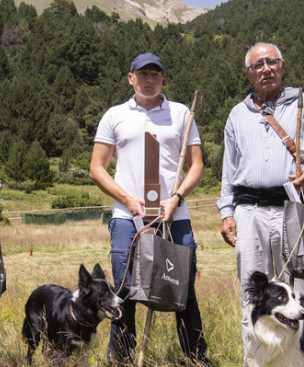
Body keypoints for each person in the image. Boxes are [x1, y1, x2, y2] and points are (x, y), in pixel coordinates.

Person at [216, 42, 304, 366]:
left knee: (299, 295)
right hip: (249, 214)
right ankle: (256, 361)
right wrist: (227, 212)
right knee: (253, 296)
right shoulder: (237, 114)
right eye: (258, 65)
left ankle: (300, 360)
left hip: (294, 209)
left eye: (271, 62)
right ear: (248, 74)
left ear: (282, 66)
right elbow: (229, 170)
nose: (265, 69)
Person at [89, 52, 209, 366]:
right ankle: (121, 359)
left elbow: (197, 166)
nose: (150, 79)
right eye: (143, 73)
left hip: (175, 217)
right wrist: (128, 200)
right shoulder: (115, 115)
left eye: (156, 73)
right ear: (131, 77)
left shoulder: (182, 113)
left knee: (182, 289)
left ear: (163, 78)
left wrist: (177, 198)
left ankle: (197, 358)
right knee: (125, 290)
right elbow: (97, 168)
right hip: (128, 218)